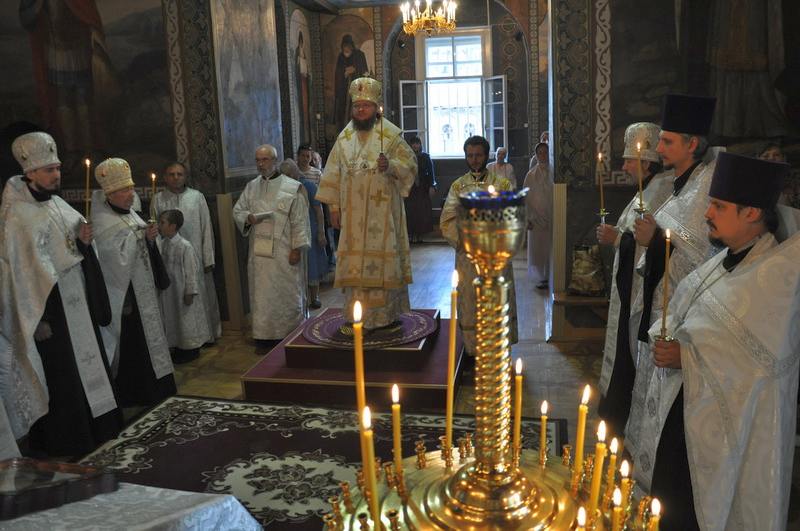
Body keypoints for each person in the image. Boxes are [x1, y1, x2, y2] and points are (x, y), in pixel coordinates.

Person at [642, 152, 797, 530]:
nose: (707, 213)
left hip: (723, 445)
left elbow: (760, 367)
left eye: (719, 205)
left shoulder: (776, 281)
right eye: (711, 202)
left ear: (752, 214)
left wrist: (687, 357)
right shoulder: (725, 259)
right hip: (684, 416)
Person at [624, 95, 719, 526]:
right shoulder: (681, 182)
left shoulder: (704, 188)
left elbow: (704, 255)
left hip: (685, 317)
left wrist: (657, 238)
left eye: (667, 141)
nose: (659, 149)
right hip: (661, 305)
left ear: (692, 144)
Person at [0, 132, 121, 456]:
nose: (56, 175)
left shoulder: (58, 204)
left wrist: (83, 241)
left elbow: (75, 248)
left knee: (89, 367)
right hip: (50, 313)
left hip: (77, 302)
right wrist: (38, 320)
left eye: (57, 169)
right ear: (31, 174)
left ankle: (100, 428)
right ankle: (72, 439)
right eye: (49, 170)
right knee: (64, 377)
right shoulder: (17, 217)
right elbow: (20, 278)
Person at [317, 76, 417, 331]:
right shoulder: (344, 138)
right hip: (353, 217)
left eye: (366, 106)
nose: (360, 110)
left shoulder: (391, 136)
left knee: (382, 267)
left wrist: (391, 166)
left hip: (384, 215)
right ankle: (356, 314)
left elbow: (411, 166)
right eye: (356, 106)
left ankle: (385, 316)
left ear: (375, 108)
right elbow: (332, 174)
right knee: (356, 268)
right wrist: (334, 208)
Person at [595, 123, 673, 440]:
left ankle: (620, 417)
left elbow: (650, 246)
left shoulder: (659, 191)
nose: (624, 166)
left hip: (642, 296)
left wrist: (618, 240)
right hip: (628, 290)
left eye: (630, 160)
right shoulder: (651, 188)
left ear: (647, 162)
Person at [91, 158, 176, 408]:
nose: (131, 194)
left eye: (131, 188)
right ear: (110, 194)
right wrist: (138, 239)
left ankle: (160, 387)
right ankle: (138, 393)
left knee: (153, 339)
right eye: (125, 190)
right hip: (125, 298)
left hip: (144, 293)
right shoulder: (102, 223)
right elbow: (110, 260)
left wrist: (148, 239)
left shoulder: (132, 216)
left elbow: (144, 248)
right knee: (134, 344)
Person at [440, 135, 519, 356]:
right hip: (467, 257)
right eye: (470, 155)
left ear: (486, 155)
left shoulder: (501, 184)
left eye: (478, 155)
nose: (474, 160)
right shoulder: (458, 185)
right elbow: (447, 219)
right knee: (469, 301)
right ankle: (471, 350)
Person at [233, 145, 311, 348]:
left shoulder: (292, 187)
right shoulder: (251, 186)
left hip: (284, 251)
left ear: (275, 161)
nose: (261, 164)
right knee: (261, 295)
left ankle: (288, 334)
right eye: (258, 160)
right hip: (259, 253)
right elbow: (238, 210)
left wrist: (296, 248)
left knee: (285, 291)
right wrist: (247, 218)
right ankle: (263, 336)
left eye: (265, 160)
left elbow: (299, 220)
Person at [153, 162, 222, 340]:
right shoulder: (158, 199)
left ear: (185, 177)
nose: (176, 178)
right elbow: (155, 230)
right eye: (171, 174)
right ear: (165, 177)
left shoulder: (196, 197)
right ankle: (179, 339)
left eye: (179, 174)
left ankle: (204, 335)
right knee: (174, 299)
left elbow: (206, 227)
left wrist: (208, 258)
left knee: (199, 295)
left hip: (196, 255)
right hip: (170, 259)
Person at [157, 209, 212, 364]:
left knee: (186, 319)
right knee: (174, 319)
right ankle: (177, 346)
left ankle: (191, 348)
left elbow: (191, 271)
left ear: (173, 226)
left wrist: (190, 290)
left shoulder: (184, 246)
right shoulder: (163, 244)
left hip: (182, 291)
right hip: (170, 291)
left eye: (162, 223)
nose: (159, 226)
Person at [284, 157, 326, 309]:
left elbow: (318, 210)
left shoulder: (308, 186)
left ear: (295, 174)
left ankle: (314, 297)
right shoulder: (284, 188)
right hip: (292, 231)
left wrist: (321, 232)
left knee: (312, 264)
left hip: (310, 228)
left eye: (288, 175)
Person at [522, 141, 553, 288]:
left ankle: (550, 275)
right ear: (536, 155)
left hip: (551, 217)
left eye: (545, 152)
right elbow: (526, 198)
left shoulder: (554, 172)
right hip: (535, 218)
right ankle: (541, 277)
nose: (542, 155)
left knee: (549, 247)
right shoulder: (531, 175)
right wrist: (528, 218)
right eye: (539, 153)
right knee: (538, 249)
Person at [333, 35, 369, 133]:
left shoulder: (359, 55)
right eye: (344, 46)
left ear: (351, 46)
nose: (346, 48)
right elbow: (338, 74)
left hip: (357, 90)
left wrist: (355, 70)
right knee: (345, 112)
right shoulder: (341, 57)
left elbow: (364, 72)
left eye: (348, 46)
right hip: (344, 90)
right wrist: (345, 73)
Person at [405, 136, 436, 243]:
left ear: (420, 144)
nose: (415, 145)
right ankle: (410, 235)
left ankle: (420, 235)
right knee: (410, 211)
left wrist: (432, 186)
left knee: (421, 211)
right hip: (410, 187)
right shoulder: (406, 157)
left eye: (417, 143)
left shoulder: (425, 157)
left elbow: (431, 173)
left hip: (422, 187)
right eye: (413, 143)